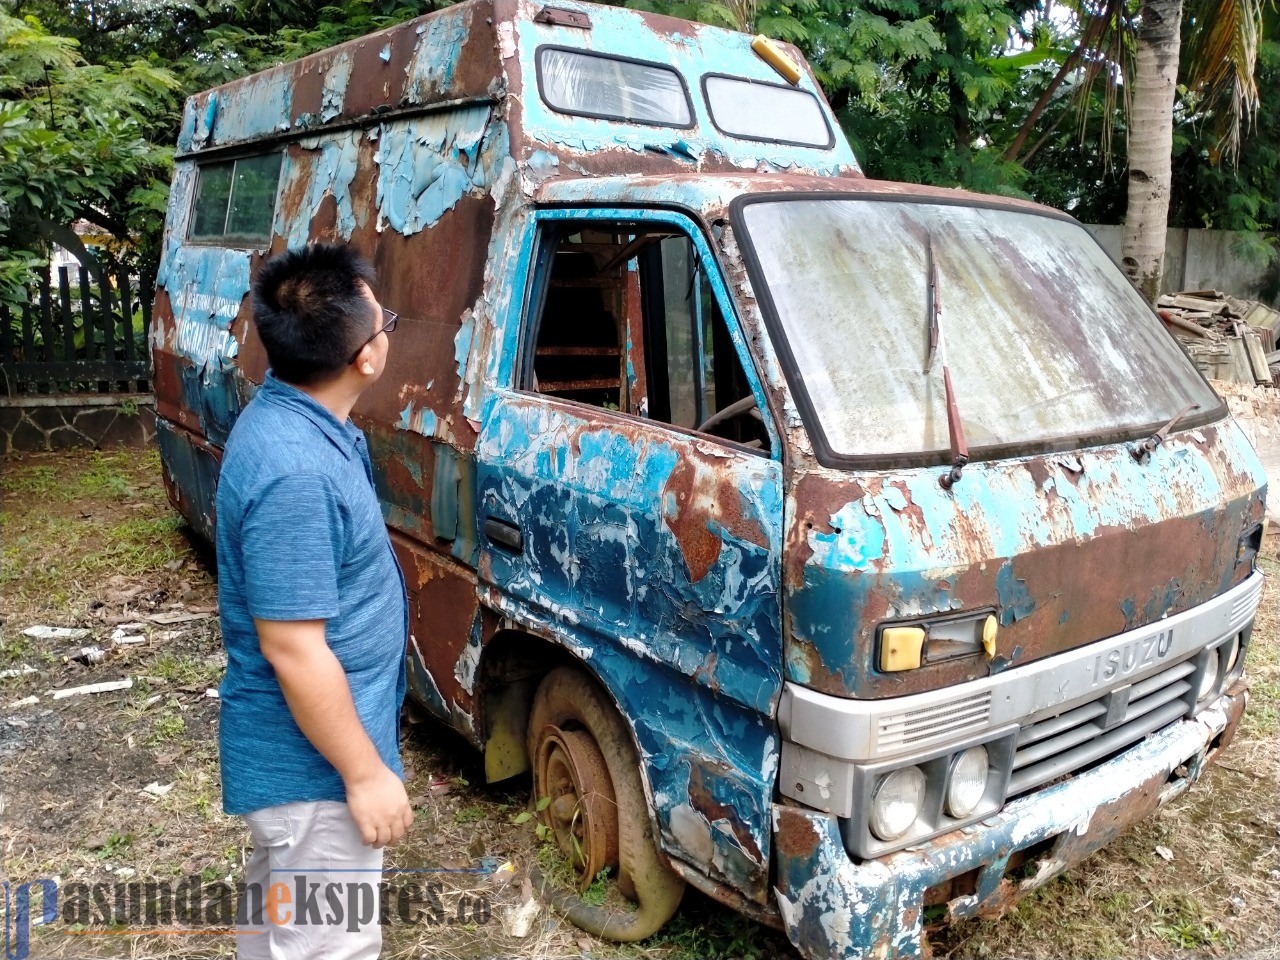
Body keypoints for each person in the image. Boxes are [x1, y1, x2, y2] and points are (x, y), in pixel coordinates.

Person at [214, 243, 412, 959]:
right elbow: (293, 647)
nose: (388, 331)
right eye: (382, 321)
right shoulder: (295, 471)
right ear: (366, 356)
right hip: (314, 775)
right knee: (331, 946)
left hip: (309, 761)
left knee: (279, 934)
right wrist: (363, 775)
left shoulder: (300, 421)